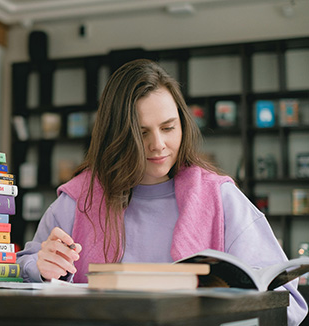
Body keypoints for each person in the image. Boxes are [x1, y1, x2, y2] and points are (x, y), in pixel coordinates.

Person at [16, 59, 308, 325]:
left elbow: (289, 302)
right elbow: (20, 270)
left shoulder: (220, 198)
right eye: (142, 133)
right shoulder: (79, 199)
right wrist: (39, 267)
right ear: (115, 136)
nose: (158, 145)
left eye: (168, 128)